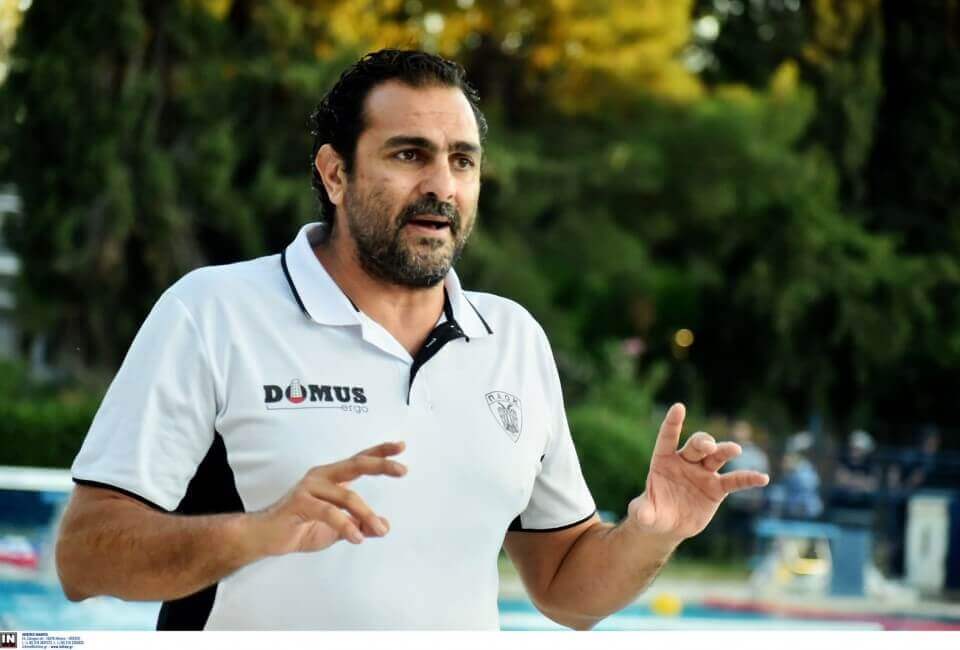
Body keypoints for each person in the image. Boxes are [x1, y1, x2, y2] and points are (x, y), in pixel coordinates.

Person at [54, 49, 769, 630]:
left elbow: (565, 589)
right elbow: (85, 558)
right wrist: (258, 532)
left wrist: (653, 533)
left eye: (463, 160)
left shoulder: (512, 340)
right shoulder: (213, 314)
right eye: (408, 154)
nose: (442, 186)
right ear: (335, 173)